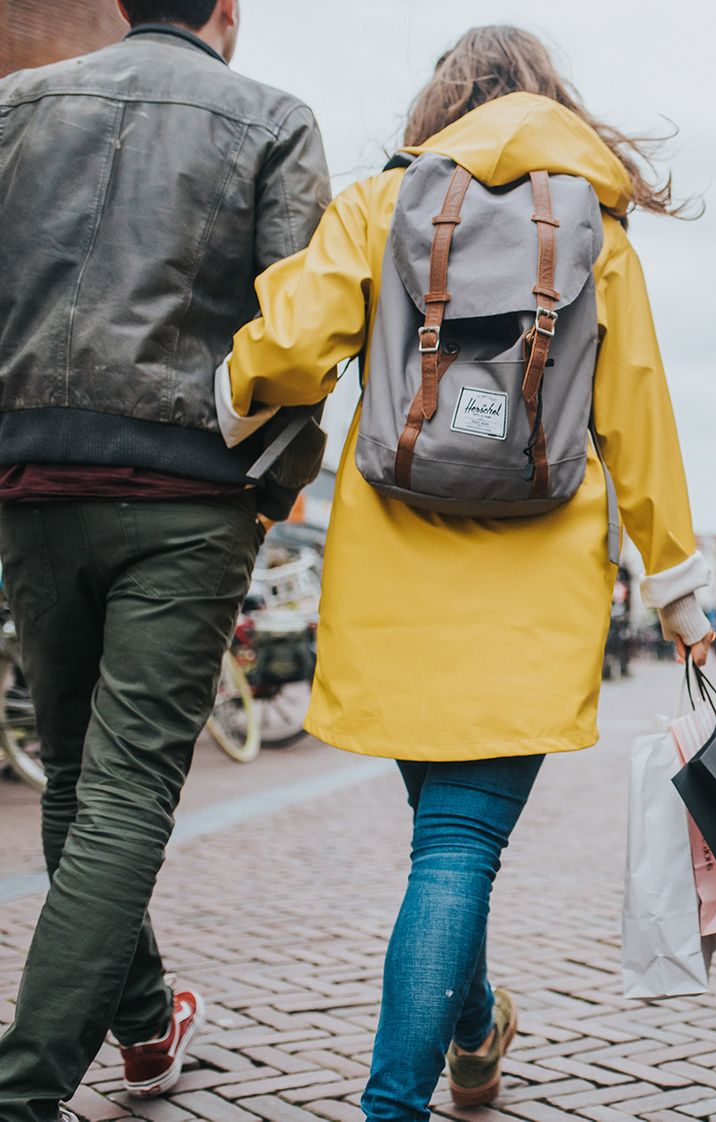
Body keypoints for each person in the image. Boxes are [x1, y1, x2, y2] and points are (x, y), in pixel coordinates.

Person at [219, 25, 713, 1121]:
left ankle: (473, 1028)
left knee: (446, 847)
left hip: (394, 588)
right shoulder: (598, 236)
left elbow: (289, 348)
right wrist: (677, 588)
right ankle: (404, 1094)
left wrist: (231, 390)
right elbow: (638, 416)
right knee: (458, 848)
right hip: (534, 600)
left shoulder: (380, 206)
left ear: (442, 104)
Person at [0, 3, 328, 1119]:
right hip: (188, 490)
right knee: (129, 788)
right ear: (227, 11)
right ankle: (24, 1090)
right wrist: (269, 485)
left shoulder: (15, 107)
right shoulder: (274, 119)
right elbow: (301, 328)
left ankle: (145, 1028)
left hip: (35, 481)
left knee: (75, 775)